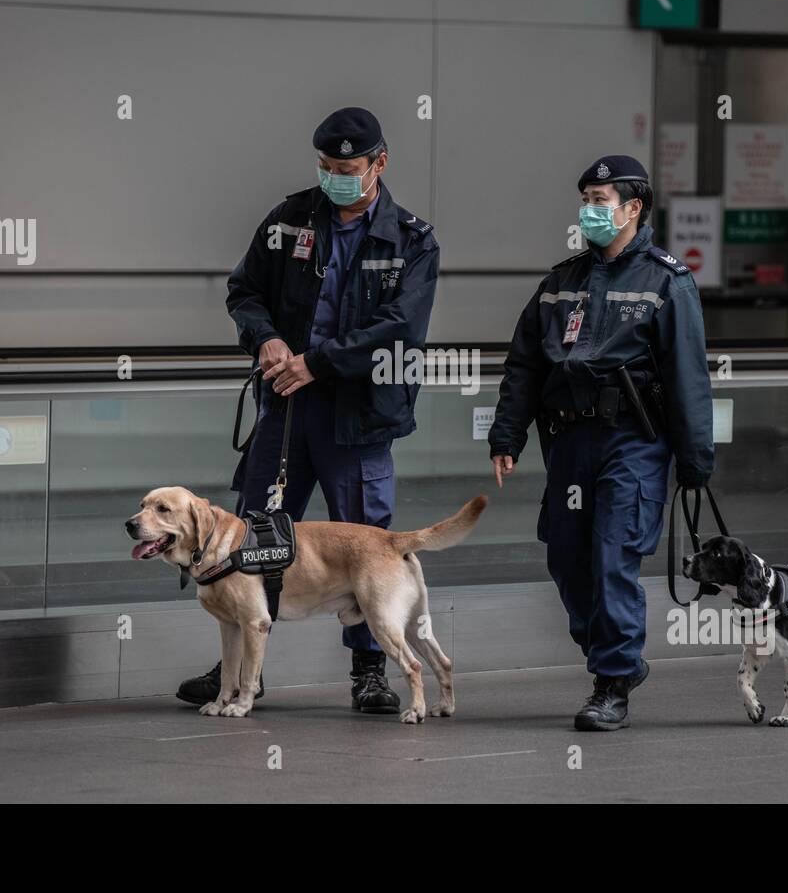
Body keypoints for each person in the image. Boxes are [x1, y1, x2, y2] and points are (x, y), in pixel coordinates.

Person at [176, 107, 440, 713]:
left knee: (365, 543)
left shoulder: (411, 238)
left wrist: (317, 362)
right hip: (287, 411)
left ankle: (369, 670)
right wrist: (266, 337)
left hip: (359, 411)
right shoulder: (288, 220)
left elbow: (401, 325)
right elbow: (244, 291)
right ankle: (242, 671)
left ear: (379, 163)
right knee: (252, 533)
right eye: (325, 167)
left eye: (347, 168)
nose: (334, 177)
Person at [487, 154, 714, 731]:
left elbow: (688, 375)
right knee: (568, 558)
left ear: (633, 208)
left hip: (632, 441)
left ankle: (612, 682)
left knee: (614, 557)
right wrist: (507, 433)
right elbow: (524, 367)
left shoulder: (667, 280)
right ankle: (613, 659)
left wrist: (694, 459)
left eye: (601, 201)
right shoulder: (559, 282)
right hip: (569, 443)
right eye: (586, 200)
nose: (590, 210)